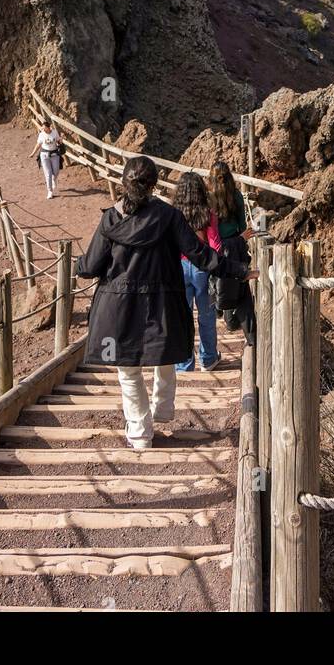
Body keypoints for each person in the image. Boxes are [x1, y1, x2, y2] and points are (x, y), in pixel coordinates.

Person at [77, 156, 250, 449]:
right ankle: (163, 409)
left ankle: (140, 433)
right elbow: (201, 254)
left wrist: (77, 264)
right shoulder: (169, 217)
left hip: (118, 306)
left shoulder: (110, 218)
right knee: (165, 353)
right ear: (155, 185)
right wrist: (241, 270)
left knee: (128, 371)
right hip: (162, 302)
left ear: (124, 183)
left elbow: (90, 267)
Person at [172, 172, 225, 373]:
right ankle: (208, 358)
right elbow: (216, 245)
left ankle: (184, 364)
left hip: (179, 267)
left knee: (182, 317)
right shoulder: (207, 212)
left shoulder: (173, 213)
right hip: (202, 268)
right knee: (206, 316)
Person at [207, 159, 256, 343]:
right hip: (236, 241)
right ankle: (233, 321)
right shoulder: (236, 196)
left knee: (218, 279)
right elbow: (243, 224)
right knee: (237, 282)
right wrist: (242, 239)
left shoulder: (209, 197)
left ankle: (221, 309)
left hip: (217, 244)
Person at [29, 118, 63, 199]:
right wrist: (33, 153)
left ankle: (53, 180)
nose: (43, 129)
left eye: (45, 128)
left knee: (56, 171)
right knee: (48, 174)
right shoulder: (41, 134)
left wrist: (61, 140)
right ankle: (50, 191)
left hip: (54, 154)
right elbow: (38, 145)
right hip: (44, 155)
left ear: (49, 127)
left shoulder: (54, 132)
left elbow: (58, 141)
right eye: (43, 128)